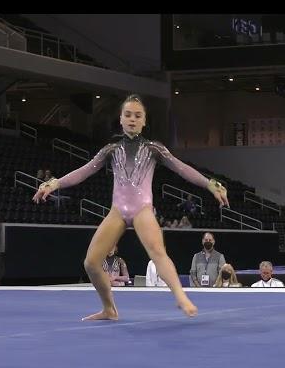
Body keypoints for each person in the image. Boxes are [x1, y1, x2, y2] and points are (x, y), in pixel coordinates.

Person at [33, 93, 229, 320]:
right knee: (91, 263)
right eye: (128, 115)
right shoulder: (111, 149)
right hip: (117, 211)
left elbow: (182, 169)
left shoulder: (154, 148)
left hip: (142, 210)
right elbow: (84, 171)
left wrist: (211, 184)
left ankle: (180, 296)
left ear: (144, 121)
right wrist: (54, 183)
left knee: (157, 252)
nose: (132, 119)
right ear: (121, 119)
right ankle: (109, 308)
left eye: (137, 116)